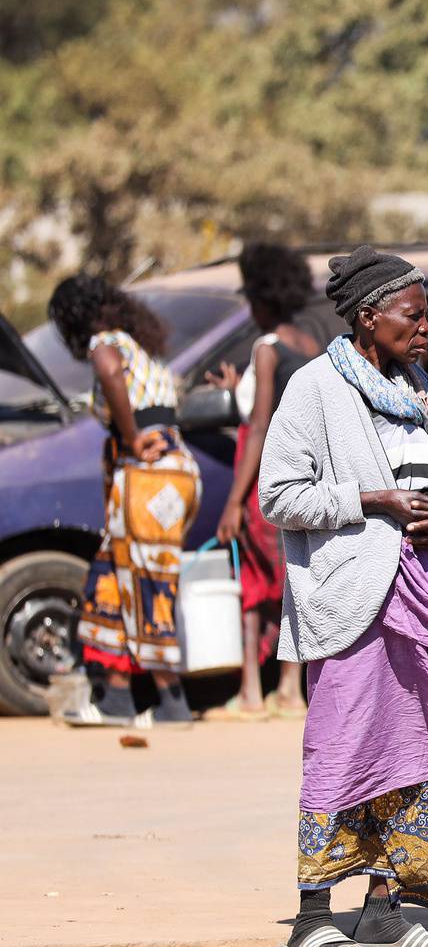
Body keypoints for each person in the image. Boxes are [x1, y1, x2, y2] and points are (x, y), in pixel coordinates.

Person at [259, 245, 428, 947]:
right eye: (413, 315)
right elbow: (278, 495)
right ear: (368, 317)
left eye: (426, 317)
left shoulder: (421, 391)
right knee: (344, 744)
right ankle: (313, 916)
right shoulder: (315, 389)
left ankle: (385, 906)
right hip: (355, 598)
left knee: (420, 749)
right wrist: (374, 501)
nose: (424, 328)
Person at [50, 275, 202, 727]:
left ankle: (171, 698)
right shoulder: (140, 347)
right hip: (173, 472)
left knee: (145, 581)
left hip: (148, 474)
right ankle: (116, 695)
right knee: (112, 575)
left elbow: (108, 372)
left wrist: (131, 439)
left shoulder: (107, 345)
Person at [202, 242, 322, 721]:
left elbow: (261, 425)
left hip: (264, 483)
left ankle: (251, 691)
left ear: (263, 300)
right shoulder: (309, 346)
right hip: (302, 475)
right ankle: (291, 688)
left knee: (254, 579)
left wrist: (234, 501)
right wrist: (238, 388)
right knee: (294, 576)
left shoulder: (266, 349)